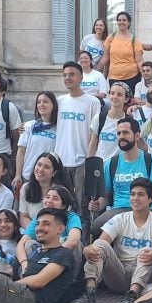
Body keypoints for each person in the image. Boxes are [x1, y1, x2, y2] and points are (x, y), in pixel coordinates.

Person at [74, 178, 152, 303]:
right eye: (132, 194)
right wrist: (88, 250)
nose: (135, 198)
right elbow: (101, 244)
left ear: (151, 199)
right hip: (119, 273)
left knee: (146, 251)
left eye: (140, 194)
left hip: (144, 275)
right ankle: (89, 294)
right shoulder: (120, 218)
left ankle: (132, 296)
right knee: (99, 245)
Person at [90, 117, 152, 228]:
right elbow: (106, 196)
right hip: (119, 210)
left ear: (137, 136)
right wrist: (98, 204)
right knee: (97, 225)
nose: (121, 136)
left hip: (148, 209)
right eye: (118, 133)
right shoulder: (111, 163)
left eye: (126, 133)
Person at [54, 61, 102, 205]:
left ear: (81, 77)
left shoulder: (93, 102)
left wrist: (90, 159)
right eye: (65, 75)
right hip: (60, 160)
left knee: (82, 206)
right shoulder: (59, 101)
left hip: (82, 161)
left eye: (72, 74)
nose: (68, 78)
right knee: (61, 204)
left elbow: (95, 133)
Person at [16, 185, 83, 270]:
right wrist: (24, 263)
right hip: (41, 261)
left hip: (61, 261)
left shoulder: (72, 217)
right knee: (29, 244)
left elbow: (73, 241)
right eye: (47, 197)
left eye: (55, 198)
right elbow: (21, 244)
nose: (49, 201)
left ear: (63, 205)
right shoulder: (38, 218)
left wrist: (51, 259)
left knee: (77, 245)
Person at [13, 92, 58, 190]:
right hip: (27, 175)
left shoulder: (59, 128)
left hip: (47, 179)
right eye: (39, 102)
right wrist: (18, 175)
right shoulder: (29, 126)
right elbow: (21, 151)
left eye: (45, 102)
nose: (41, 104)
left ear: (53, 105)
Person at [18, 152, 74, 229]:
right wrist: (35, 233)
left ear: (54, 172)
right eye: (39, 165)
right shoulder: (26, 188)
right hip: (32, 232)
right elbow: (24, 217)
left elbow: (65, 220)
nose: (40, 169)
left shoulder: (62, 191)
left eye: (46, 167)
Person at [98, 11, 145, 91]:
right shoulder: (111, 38)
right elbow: (105, 57)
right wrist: (94, 71)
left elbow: (139, 60)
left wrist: (146, 76)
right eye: (119, 20)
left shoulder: (135, 40)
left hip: (132, 77)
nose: (121, 22)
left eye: (124, 20)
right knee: (116, 101)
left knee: (130, 102)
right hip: (114, 77)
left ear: (129, 22)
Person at [88, 81, 129, 160]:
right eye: (112, 93)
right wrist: (89, 165)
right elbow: (92, 144)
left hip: (119, 168)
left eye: (119, 94)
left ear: (126, 99)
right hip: (100, 166)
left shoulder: (129, 121)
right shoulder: (99, 118)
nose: (115, 97)